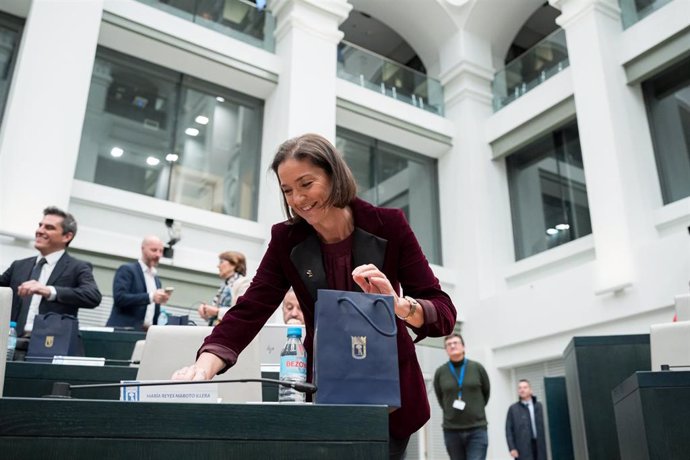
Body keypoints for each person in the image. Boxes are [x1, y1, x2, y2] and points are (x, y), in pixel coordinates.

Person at [172, 133, 457, 459]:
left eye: (306, 184)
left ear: (334, 176)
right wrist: (204, 366)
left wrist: (399, 305)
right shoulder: (285, 240)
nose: (297, 198)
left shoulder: (389, 226)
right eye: (287, 190)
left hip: (389, 398)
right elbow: (251, 308)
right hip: (323, 391)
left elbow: (443, 312)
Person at [0, 206, 102, 337]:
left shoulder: (78, 267)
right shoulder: (19, 265)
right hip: (11, 341)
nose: (39, 231)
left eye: (49, 228)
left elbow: (92, 296)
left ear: (67, 236)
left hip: (49, 344)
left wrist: (49, 291)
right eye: (40, 225)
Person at [433, 333, 490, 460]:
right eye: (449, 344)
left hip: (477, 429)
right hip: (452, 431)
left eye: (455, 343)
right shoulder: (440, 372)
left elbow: (486, 393)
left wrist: (474, 409)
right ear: (445, 350)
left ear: (463, 347)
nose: (452, 346)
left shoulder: (477, 368)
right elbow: (441, 398)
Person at [106, 235, 171, 330]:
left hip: (145, 333)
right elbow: (120, 298)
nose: (158, 255)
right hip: (124, 331)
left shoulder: (156, 280)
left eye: (161, 251)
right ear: (143, 249)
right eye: (154, 250)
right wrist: (151, 297)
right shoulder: (127, 270)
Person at [197, 250, 251, 326]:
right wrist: (206, 311)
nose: (218, 266)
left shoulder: (244, 283)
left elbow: (241, 312)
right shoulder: (225, 285)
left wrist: (217, 312)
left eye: (221, 262)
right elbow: (217, 314)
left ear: (234, 264)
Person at [505, 379, 547, 460]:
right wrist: (512, 448)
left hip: (540, 446)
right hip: (522, 448)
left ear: (531, 390)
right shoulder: (513, 409)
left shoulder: (540, 406)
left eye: (525, 387)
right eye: (520, 388)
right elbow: (508, 430)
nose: (522, 390)